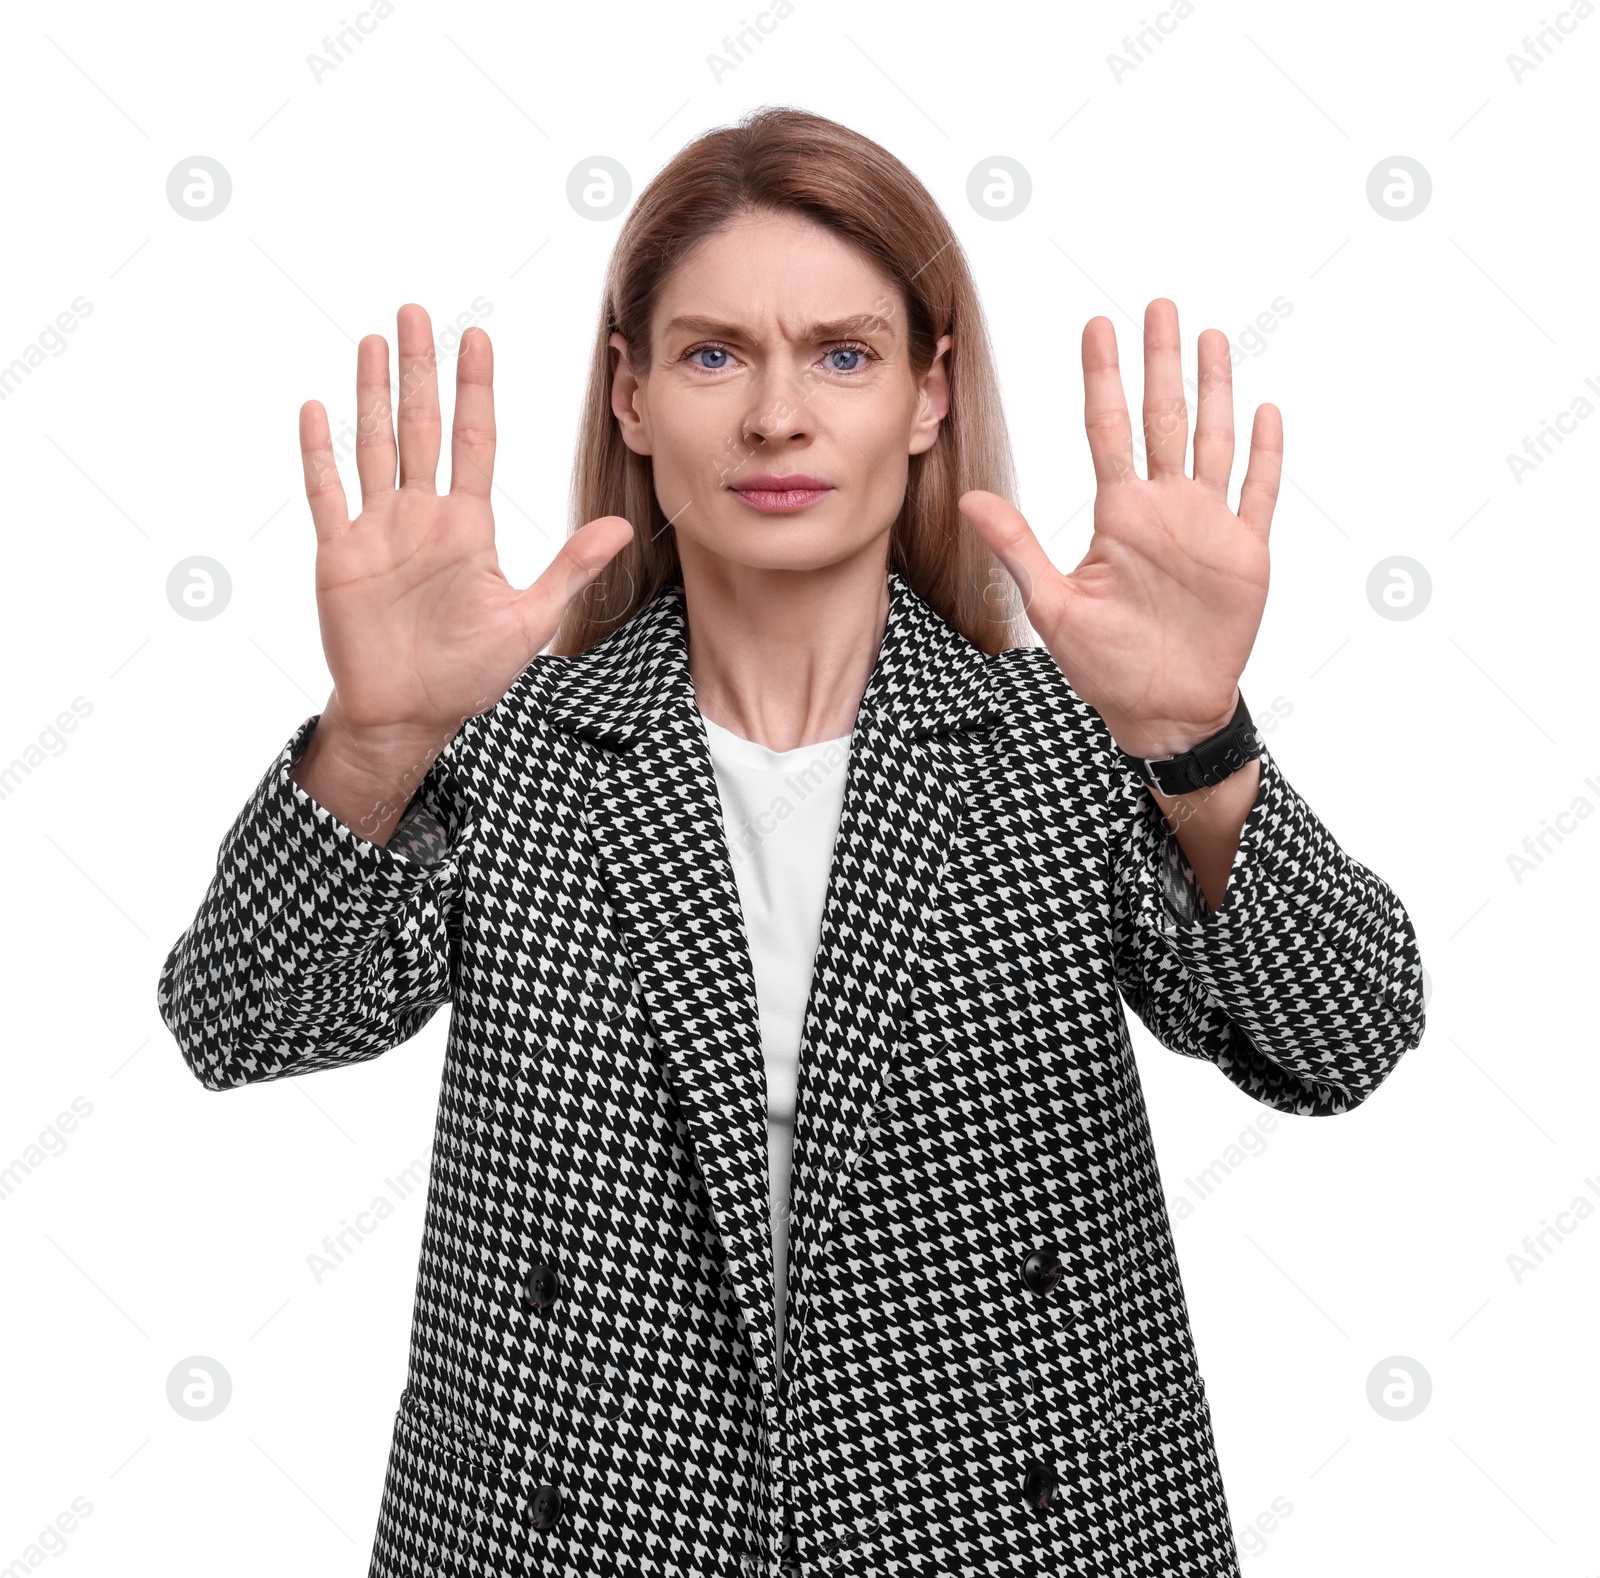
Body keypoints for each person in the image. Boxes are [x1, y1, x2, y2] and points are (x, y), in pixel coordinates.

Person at [157, 105, 1425, 1578]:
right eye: (713, 355)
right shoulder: (504, 745)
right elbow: (237, 1021)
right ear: (630, 397)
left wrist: (1199, 744)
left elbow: (1346, 1036)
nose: (777, 416)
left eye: (842, 353)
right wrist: (373, 745)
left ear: (928, 396)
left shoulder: (1072, 734)